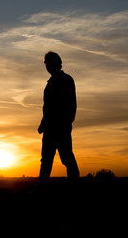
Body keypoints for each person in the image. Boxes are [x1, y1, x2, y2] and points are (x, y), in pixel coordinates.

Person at [38, 51, 80, 184]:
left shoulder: (66, 80)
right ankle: (41, 190)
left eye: (49, 63)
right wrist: (43, 123)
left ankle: (75, 188)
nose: (47, 66)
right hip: (50, 129)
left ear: (58, 63)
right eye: (46, 63)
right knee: (46, 160)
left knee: (67, 159)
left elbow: (70, 106)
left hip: (61, 128)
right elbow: (48, 108)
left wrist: (65, 124)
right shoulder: (51, 82)